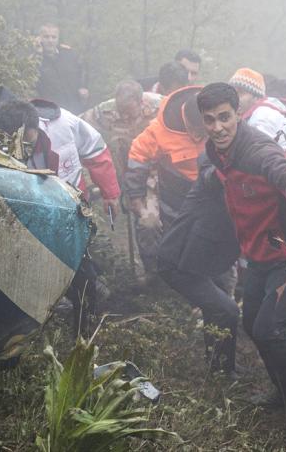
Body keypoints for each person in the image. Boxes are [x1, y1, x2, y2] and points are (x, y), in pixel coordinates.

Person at [197, 82, 286, 438]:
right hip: (261, 253)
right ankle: (284, 390)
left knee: (270, 330)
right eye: (209, 120)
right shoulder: (216, 151)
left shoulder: (256, 149)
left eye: (224, 118)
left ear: (237, 114)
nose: (217, 127)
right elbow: (214, 173)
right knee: (252, 324)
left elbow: (284, 171)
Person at [0, 100, 120, 330]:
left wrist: (110, 192)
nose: (24, 148)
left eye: (28, 141)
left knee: (82, 272)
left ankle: (85, 330)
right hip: (30, 216)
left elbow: (96, 150)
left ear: (36, 127)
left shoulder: (65, 124)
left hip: (72, 209)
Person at [157, 154, 240, 376]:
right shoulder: (210, 181)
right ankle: (223, 372)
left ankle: (218, 366)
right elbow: (209, 171)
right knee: (227, 310)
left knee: (217, 308)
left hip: (202, 262)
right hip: (178, 262)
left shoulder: (240, 193)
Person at [82, 80, 162, 275]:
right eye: (121, 110)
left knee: (158, 221)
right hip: (127, 174)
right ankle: (152, 270)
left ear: (140, 101)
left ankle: (164, 266)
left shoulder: (159, 105)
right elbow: (77, 125)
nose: (124, 116)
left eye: (129, 111)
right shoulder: (105, 110)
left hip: (157, 173)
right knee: (144, 221)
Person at [124, 85, 205, 235]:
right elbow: (138, 155)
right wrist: (136, 195)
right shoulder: (162, 128)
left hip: (207, 190)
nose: (195, 136)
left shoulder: (220, 119)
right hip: (168, 188)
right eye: (191, 129)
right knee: (150, 225)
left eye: (200, 131)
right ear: (184, 116)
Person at [228, 67, 286, 169]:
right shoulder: (267, 105)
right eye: (232, 92)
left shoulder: (262, 117)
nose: (235, 97)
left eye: (241, 93)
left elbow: (255, 158)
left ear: (256, 97)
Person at [36, 23, 89, 114]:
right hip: (51, 112)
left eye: (54, 37)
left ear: (58, 39)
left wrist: (83, 87)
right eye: (46, 37)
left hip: (75, 108)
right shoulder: (35, 61)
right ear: (40, 39)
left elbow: (82, 72)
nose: (50, 40)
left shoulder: (69, 55)